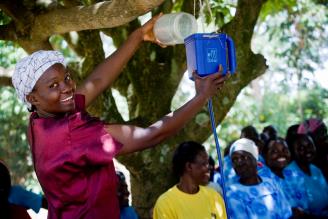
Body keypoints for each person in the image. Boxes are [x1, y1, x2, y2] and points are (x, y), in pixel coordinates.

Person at [11, 14, 228, 219]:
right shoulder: (72, 134)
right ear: (32, 98)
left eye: (67, 77)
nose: (67, 88)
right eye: (53, 85)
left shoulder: (39, 121)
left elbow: (95, 82)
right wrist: (201, 96)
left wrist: (138, 36)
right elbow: (152, 134)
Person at [153, 141, 227, 219]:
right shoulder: (165, 203)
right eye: (204, 164)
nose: (209, 167)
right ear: (189, 166)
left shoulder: (214, 196)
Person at [226, 138, 293, 219]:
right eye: (234, 160)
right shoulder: (233, 193)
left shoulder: (270, 183)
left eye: (244, 157)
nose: (239, 163)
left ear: (255, 159)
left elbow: (286, 213)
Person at [284, 134, 328, 216]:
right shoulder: (289, 175)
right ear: (292, 151)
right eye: (301, 148)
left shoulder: (315, 169)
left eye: (310, 146)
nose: (307, 150)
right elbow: (297, 212)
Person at [263, 138, 308, 216]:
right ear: (265, 155)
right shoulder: (262, 181)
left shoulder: (295, 175)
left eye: (285, 150)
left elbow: (305, 206)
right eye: (275, 151)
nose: (281, 154)